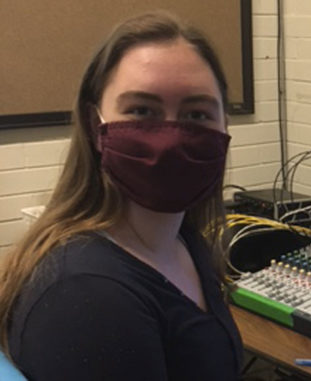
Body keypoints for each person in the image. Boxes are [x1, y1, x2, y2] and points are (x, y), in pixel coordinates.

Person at [0, 11, 243, 380]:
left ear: (224, 124)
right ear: (95, 124)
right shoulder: (87, 296)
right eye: (142, 111)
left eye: (196, 114)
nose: (170, 140)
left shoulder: (182, 241)